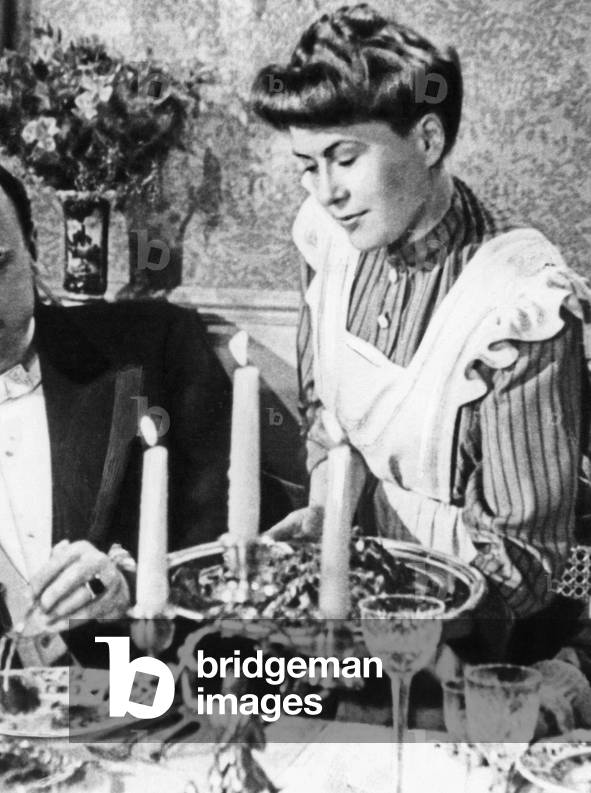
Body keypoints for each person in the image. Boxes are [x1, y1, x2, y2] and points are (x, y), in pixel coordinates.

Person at [0, 148, 291, 679]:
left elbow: (252, 540)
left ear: (33, 249)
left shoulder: (155, 350)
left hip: (154, 706)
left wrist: (138, 587)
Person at [251, 4, 590, 655]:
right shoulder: (329, 237)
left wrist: (375, 606)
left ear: (428, 142)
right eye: (306, 163)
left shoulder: (517, 303)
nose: (324, 191)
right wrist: (328, 516)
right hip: (362, 601)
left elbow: (523, 570)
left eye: (343, 158)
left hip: (490, 641)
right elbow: (328, 419)